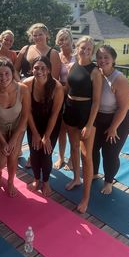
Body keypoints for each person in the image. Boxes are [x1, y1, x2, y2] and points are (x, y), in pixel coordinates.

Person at [63, 36, 102, 214]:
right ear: (76, 48)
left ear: (92, 51)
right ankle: (76, 178)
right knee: (73, 148)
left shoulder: (95, 72)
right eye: (82, 48)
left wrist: (89, 123)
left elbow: (96, 102)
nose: (85, 51)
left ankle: (86, 198)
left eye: (89, 49)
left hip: (86, 114)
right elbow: (67, 89)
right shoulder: (71, 65)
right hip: (70, 110)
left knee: (86, 157)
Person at [0, 58, 30, 197]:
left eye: (6, 74)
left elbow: (25, 116)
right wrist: (4, 142)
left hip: (17, 127)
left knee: (13, 156)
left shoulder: (22, 89)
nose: (3, 78)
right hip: (0, 128)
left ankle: (10, 181)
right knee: (1, 159)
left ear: (12, 73)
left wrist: (13, 140)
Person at [93, 45, 129, 195]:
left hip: (118, 120)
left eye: (106, 57)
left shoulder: (119, 79)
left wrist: (113, 127)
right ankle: (94, 173)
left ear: (113, 59)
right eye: (99, 57)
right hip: (99, 117)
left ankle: (109, 181)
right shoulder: (96, 74)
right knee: (93, 148)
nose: (102, 60)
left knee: (109, 153)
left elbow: (124, 107)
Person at [23, 56, 64, 196]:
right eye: (36, 68)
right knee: (34, 151)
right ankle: (36, 179)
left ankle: (46, 181)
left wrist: (46, 137)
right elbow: (27, 111)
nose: (39, 71)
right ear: (31, 69)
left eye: (43, 68)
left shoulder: (57, 87)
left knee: (46, 153)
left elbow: (55, 114)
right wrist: (34, 133)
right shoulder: (27, 84)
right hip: (33, 122)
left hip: (51, 124)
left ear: (49, 70)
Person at [53, 28, 75, 171]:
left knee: (72, 130)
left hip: (74, 96)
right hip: (61, 95)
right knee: (61, 129)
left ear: (71, 39)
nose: (63, 42)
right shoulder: (57, 56)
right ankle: (61, 157)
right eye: (60, 39)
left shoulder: (77, 56)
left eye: (65, 38)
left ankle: (73, 159)